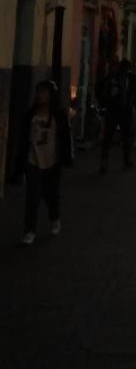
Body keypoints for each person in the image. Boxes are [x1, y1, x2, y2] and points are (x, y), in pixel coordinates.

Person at [17, 80, 73, 245]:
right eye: (39, 92)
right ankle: (29, 230)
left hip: (52, 162)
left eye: (44, 92)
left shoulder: (58, 115)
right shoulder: (31, 115)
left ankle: (54, 217)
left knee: (51, 195)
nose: (41, 96)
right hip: (33, 160)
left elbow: (65, 138)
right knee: (32, 197)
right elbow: (24, 139)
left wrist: (66, 157)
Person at [97, 58, 136, 172]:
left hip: (119, 109)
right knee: (117, 136)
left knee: (117, 136)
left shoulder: (123, 76)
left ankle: (118, 160)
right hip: (117, 109)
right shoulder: (117, 76)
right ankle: (118, 160)